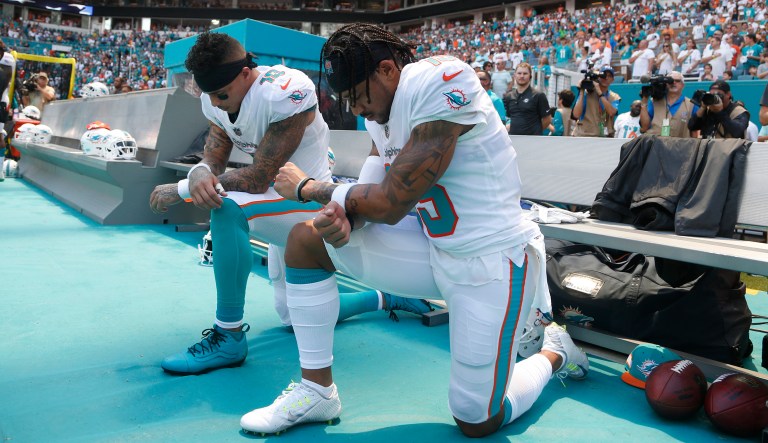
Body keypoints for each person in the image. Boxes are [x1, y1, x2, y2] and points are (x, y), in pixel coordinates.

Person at [239, 23, 589, 437]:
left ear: (388, 70)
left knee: (476, 420)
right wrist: (344, 217)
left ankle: (554, 352)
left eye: (357, 96)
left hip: (491, 261)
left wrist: (310, 187)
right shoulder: (381, 112)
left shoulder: (440, 81)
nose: (355, 109)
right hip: (429, 248)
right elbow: (368, 201)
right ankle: (317, 391)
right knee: (306, 238)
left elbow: (390, 202)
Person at [148, 32, 430, 376]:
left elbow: (260, 178)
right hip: (274, 203)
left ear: (246, 74)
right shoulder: (216, 100)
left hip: (306, 197)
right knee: (290, 315)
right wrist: (201, 171)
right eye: (212, 96)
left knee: (228, 206)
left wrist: (182, 189)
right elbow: (217, 148)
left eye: (223, 94)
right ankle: (386, 297)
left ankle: (228, 335)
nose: (218, 103)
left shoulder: (285, 90)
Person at [639, 71, 697, 138]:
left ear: (683, 85)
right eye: (670, 81)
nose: (673, 83)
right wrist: (644, 102)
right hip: (656, 145)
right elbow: (644, 127)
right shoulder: (654, 102)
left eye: (677, 81)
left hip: (680, 146)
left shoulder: (691, 104)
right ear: (665, 84)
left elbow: (694, 131)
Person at [572, 66, 621, 137]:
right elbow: (576, 115)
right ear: (598, 77)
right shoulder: (587, 93)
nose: (606, 78)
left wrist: (600, 93)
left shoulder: (614, 97)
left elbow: (611, 112)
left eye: (609, 76)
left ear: (613, 79)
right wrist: (581, 91)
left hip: (604, 136)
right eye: (603, 75)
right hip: (584, 135)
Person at [504, 62, 551, 135]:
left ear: (530, 76)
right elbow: (510, 118)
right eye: (519, 73)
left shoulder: (538, 95)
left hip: (532, 140)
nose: (522, 76)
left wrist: (536, 131)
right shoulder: (509, 96)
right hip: (513, 139)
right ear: (515, 76)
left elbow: (547, 119)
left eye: (525, 73)